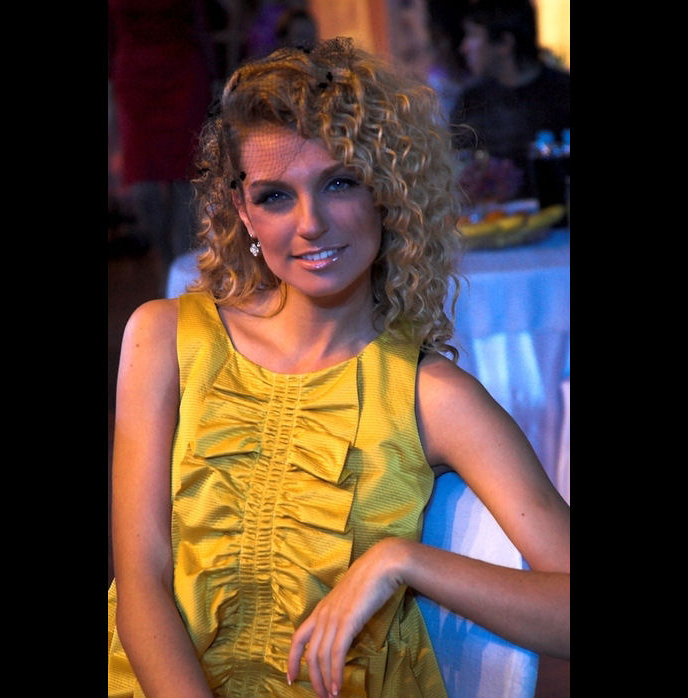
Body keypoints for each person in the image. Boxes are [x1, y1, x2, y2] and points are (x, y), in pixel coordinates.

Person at [107, 37, 569, 697]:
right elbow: (141, 582)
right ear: (243, 213)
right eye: (274, 196)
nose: (311, 224)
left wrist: (403, 561)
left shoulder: (433, 396)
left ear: (387, 192)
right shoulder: (164, 338)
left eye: (340, 182)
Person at [108, 0, 220, 274]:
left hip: (183, 73)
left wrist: (215, 78)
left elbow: (201, 21)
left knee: (188, 176)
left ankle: (182, 266)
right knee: (142, 187)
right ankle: (166, 259)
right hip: (134, 79)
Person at [450, 0, 570, 200]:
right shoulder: (471, 101)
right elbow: (455, 169)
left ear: (504, 43)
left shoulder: (563, 93)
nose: (464, 48)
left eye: (473, 35)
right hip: (494, 217)